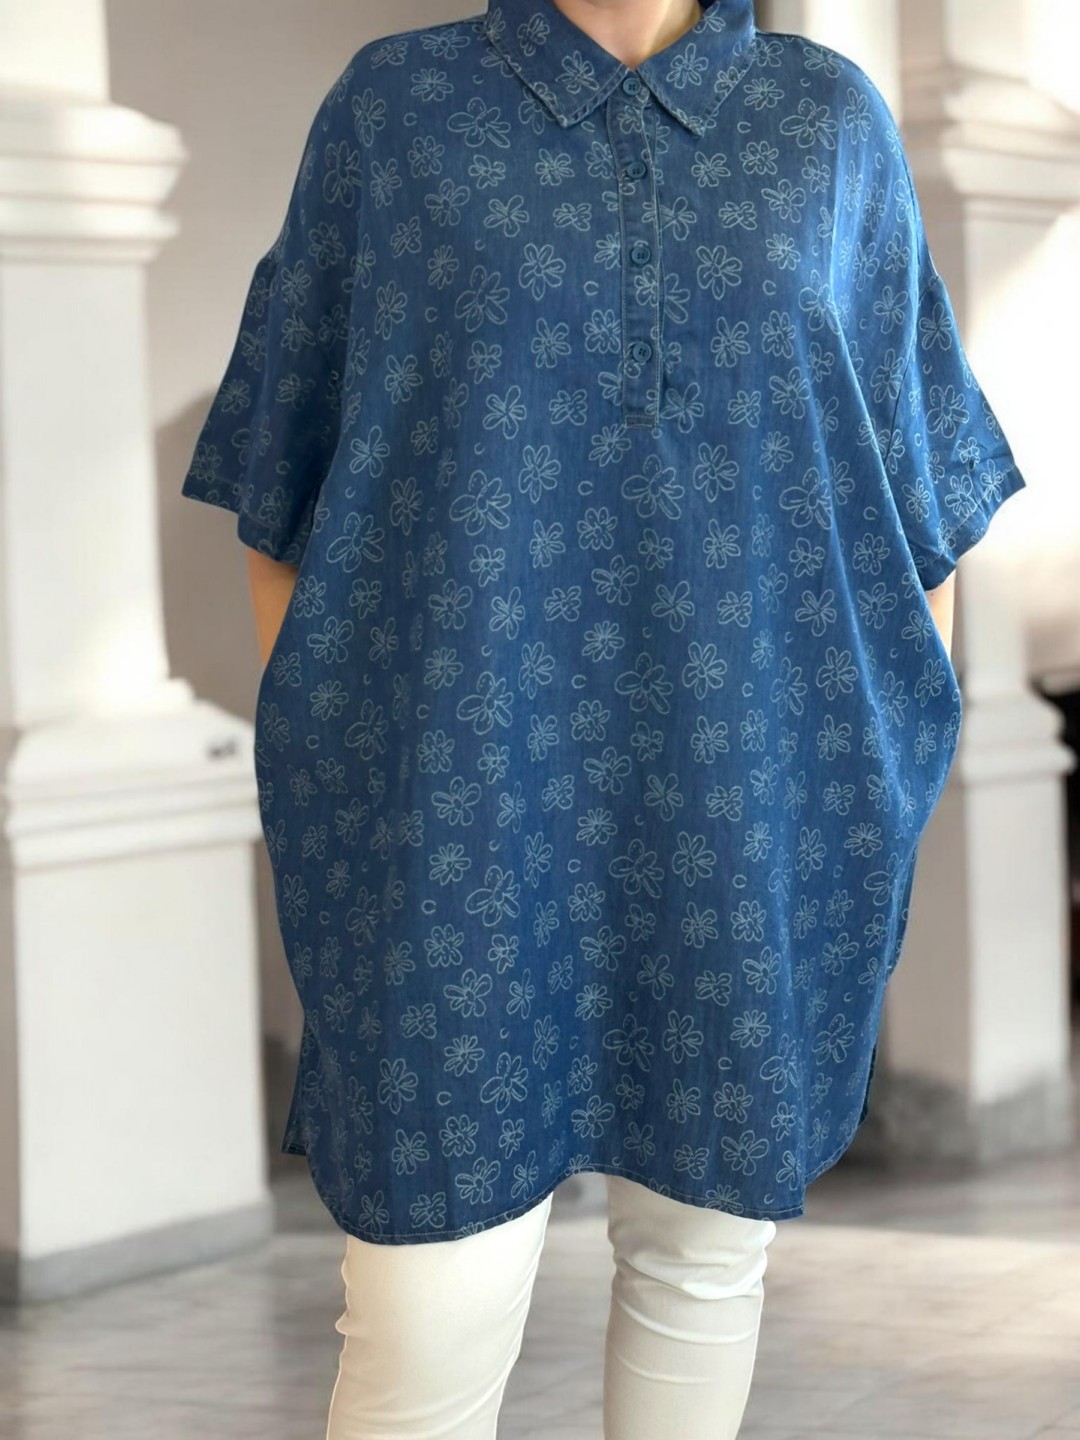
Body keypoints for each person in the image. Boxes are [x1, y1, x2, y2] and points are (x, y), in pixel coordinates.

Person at [179, 0, 1027, 1434]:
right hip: (460, 808)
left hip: (749, 790)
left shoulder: (828, 123)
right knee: (428, 1305)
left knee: (702, 1263)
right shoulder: (398, 111)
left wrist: (876, 767)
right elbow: (284, 479)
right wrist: (356, 755)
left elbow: (918, 494)